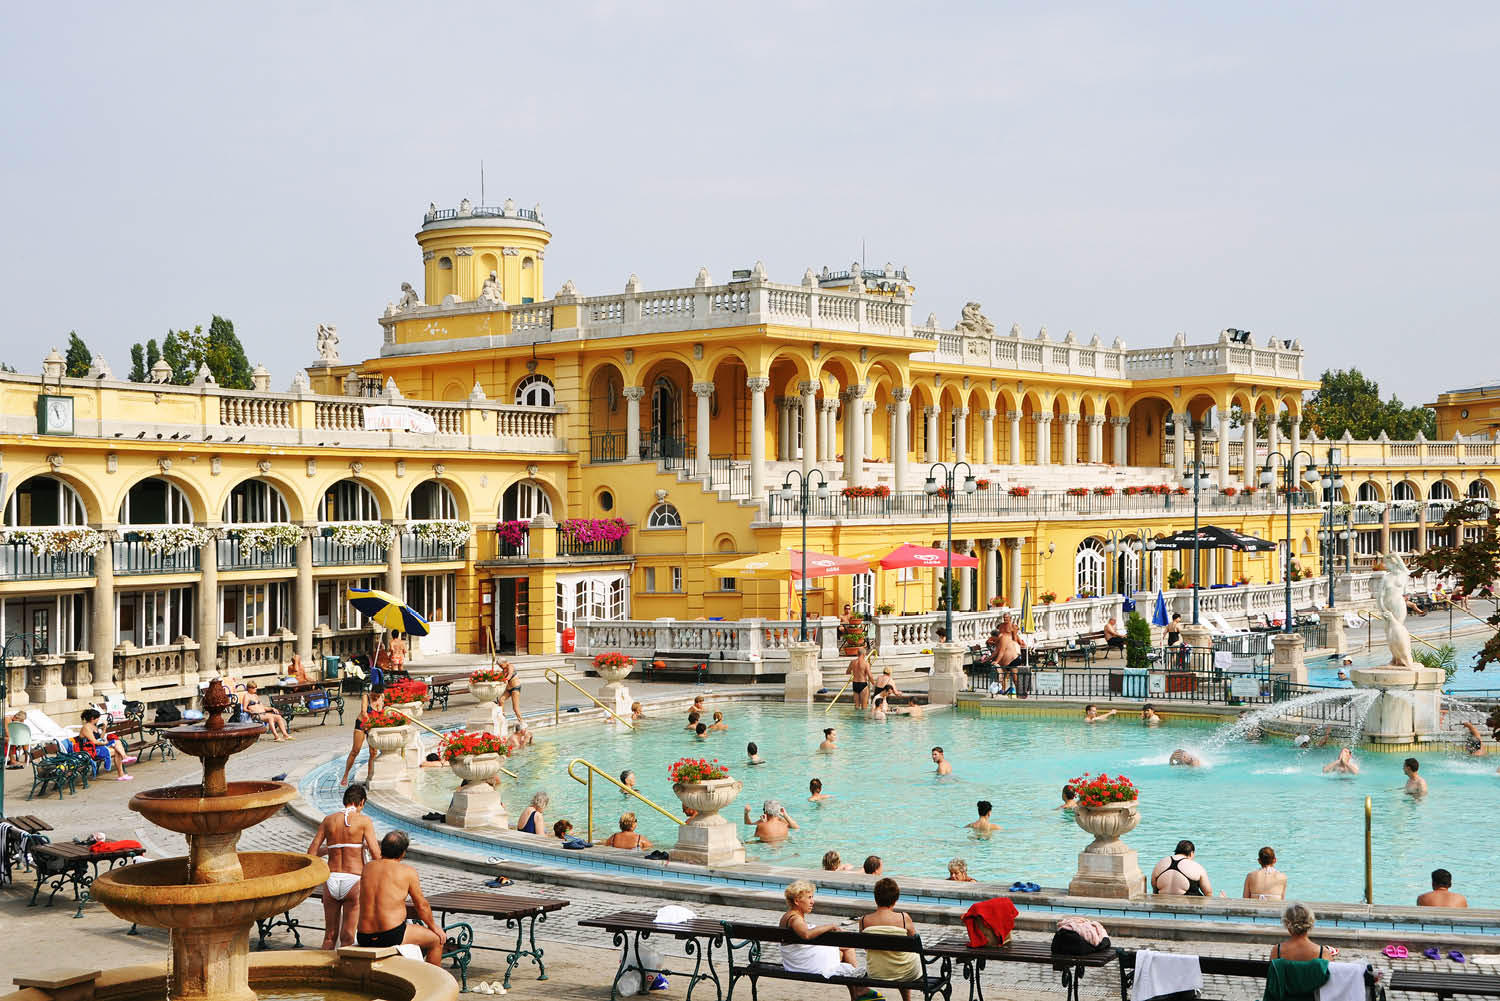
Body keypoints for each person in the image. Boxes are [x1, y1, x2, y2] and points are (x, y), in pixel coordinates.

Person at [308, 784, 381, 948]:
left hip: (331, 879)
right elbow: (376, 856)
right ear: (362, 802)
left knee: (329, 936)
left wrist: (333, 847)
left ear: (344, 800)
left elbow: (311, 853)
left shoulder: (329, 820)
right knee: (347, 936)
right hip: (354, 880)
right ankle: (343, 972)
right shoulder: (364, 821)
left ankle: (322, 972)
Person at [356, 831, 443, 964]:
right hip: (390, 935)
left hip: (363, 936)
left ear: (382, 847)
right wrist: (434, 927)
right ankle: (433, 983)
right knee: (436, 940)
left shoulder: (368, 868)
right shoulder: (407, 872)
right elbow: (421, 905)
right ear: (403, 853)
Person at [777, 881, 861, 997]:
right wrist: (830, 926)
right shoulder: (795, 918)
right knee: (847, 950)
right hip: (802, 965)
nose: (812, 901)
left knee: (843, 952)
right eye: (809, 898)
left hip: (796, 961)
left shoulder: (789, 915)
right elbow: (806, 934)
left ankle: (858, 993)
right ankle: (861, 990)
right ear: (797, 901)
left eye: (812, 897)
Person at [859, 878, 921, 1001]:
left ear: (876, 898)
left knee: (895, 959)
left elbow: (866, 948)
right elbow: (916, 946)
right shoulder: (904, 918)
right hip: (906, 972)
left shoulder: (864, 920)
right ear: (896, 899)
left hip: (876, 972)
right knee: (903, 959)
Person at [340, 683, 387, 786]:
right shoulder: (365, 697)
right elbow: (364, 711)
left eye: (378, 696)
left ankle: (370, 776)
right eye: (374, 695)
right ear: (371, 692)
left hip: (373, 726)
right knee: (355, 751)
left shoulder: (383, 697)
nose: (376, 697)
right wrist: (370, 723)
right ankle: (345, 775)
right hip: (362, 725)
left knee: (373, 752)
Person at [78, 709, 133, 780]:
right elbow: (94, 741)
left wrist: (104, 728)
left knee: (117, 741)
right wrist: (104, 743)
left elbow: (100, 737)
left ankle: (124, 757)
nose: (98, 719)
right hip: (90, 750)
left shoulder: (94, 726)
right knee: (117, 751)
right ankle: (121, 774)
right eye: (97, 718)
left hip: (98, 746)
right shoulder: (86, 728)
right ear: (92, 718)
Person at [1270, 903, 1335, 960]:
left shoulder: (1277, 951)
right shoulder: (1322, 953)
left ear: (1287, 924)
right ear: (1311, 922)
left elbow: (1272, 973)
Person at [496, 658, 522, 724]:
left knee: (515, 708)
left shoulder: (510, 667)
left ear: (505, 663)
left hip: (515, 688)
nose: (500, 667)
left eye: (501, 665)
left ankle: (522, 722)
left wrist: (505, 679)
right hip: (508, 689)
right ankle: (503, 718)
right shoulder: (503, 670)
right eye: (499, 666)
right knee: (500, 700)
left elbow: (510, 675)